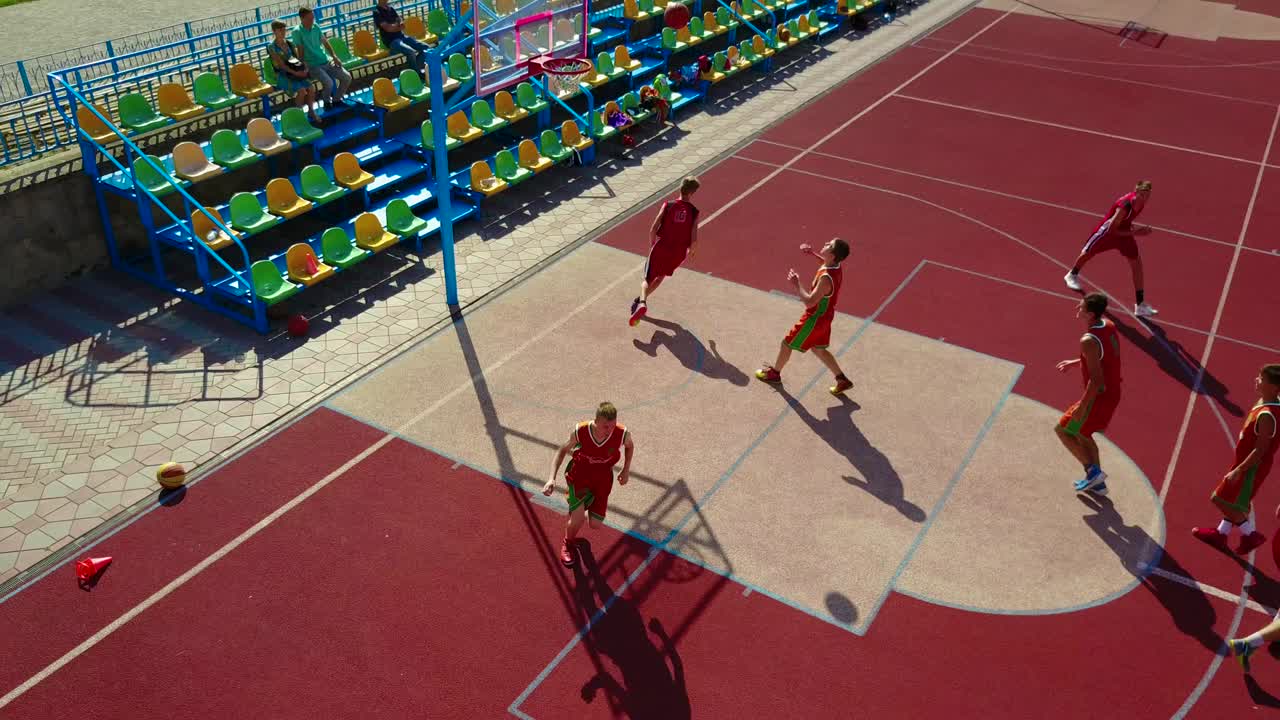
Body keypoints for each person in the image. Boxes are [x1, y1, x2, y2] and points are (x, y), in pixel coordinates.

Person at [1191, 364, 1280, 555]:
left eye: (1262, 379)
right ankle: (1221, 534)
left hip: (1251, 466)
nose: (1257, 379)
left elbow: (1260, 450)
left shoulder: (1267, 415)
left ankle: (1250, 535)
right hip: (1248, 462)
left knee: (1220, 499)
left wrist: (1239, 470)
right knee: (1234, 502)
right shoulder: (1270, 402)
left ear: (1274, 388)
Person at [754, 238, 853, 396]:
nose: (826, 243)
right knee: (818, 349)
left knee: (787, 344)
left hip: (814, 319)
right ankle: (842, 379)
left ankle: (774, 374)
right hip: (826, 317)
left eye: (829, 245)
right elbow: (824, 262)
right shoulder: (835, 265)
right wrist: (812, 253)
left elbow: (809, 302)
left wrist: (796, 284)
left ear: (833, 255)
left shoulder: (826, 279)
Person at [542, 402, 634, 567]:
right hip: (579, 478)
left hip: (602, 481)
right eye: (606, 426)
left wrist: (626, 470)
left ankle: (579, 507)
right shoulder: (581, 431)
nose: (610, 430)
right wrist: (551, 478)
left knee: (595, 525)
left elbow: (630, 446)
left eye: (612, 426)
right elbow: (562, 450)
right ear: (596, 421)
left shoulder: (621, 434)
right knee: (578, 518)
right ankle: (567, 544)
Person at [1054, 292, 1122, 495]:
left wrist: (1082, 407)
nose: (1077, 308)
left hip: (1098, 395)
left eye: (1081, 307)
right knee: (1084, 433)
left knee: (1064, 430)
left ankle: (1094, 473)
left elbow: (1096, 380)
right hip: (1111, 392)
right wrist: (1077, 362)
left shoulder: (1088, 340)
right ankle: (1098, 485)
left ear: (1091, 314)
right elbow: (1105, 358)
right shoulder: (1108, 325)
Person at [1063, 181, 1159, 318]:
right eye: (1142, 195)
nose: (1144, 198)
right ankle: (1072, 275)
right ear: (1136, 192)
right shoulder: (1125, 206)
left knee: (1136, 263)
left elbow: (1125, 221)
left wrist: (1130, 228)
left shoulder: (1141, 203)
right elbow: (1112, 229)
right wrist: (1136, 233)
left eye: (1147, 195)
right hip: (1107, 233)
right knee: (1088, 253)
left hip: (1123, 232)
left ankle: (1140, 305)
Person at [630, 176, 700, 326]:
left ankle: (642, 302)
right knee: (661, 277)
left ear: (680, 187)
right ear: (692, 193)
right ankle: (640, 300)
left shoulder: (668, 205)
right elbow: (694, 238)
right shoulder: (694, 212)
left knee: (647, 279)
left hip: (662, 247)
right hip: (678, 252)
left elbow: (653, 227)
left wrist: (652, 244)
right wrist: (691, 251)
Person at [292, 7, 351, 112]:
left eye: (313, 18)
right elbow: (300, 50)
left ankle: (337, 100)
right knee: (329, 83)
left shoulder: (316, 27)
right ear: (302, 19)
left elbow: (325, 42)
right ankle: (326, 102)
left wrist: (334, 56)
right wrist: (302, 66)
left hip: (325, 60)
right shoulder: (297, 32)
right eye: (309, 18)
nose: (312, 21)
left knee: (347, 77)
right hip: (312, 65)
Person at [266, 20, 319, 125]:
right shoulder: (271, 47)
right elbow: (281, 65)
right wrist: (296, 73)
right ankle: (299, 115)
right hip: (282, 75)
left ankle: (311, 111)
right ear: (274, 31)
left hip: (294, 73)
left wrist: (304, 69)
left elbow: (298, 59)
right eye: (280, 30)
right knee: (302, 91)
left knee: (311, 87)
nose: (283, 32)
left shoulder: (289, 43)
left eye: (284, 29)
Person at [374, 0, 431, 73]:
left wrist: (398, 24)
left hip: (401, 36)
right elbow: (388, 28)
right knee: (410, 51)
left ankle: (417, 67)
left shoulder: (390, 9)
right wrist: (398, 27)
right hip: (391, 41)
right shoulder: (377, 12)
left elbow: (400, 21)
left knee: (426, 47)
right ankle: (416, 73)